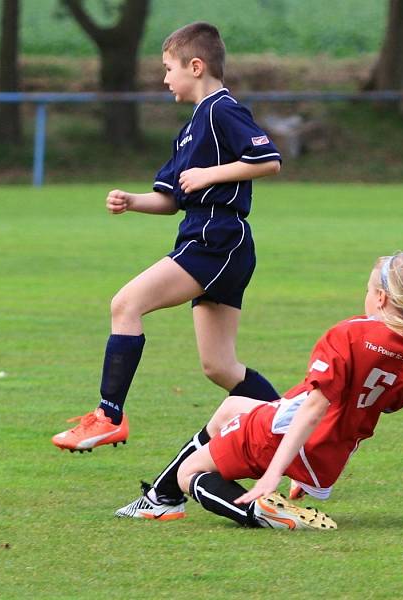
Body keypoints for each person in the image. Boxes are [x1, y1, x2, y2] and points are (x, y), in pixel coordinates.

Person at [115, 253, 403, 531]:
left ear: (381, 298)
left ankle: (258, 510)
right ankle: (159, 502)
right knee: (231, 405)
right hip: (327, 456)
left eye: (369, 289)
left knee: (190, 474)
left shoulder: (351, 333)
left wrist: (272, 475)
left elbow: (314, 407)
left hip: (286, 435)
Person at [52, 22, 283, 452]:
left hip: (217, 239)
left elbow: (268, 160)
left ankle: (108, 416)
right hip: (211, 240)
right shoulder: (192, 128)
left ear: (195, 66)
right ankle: (294, 426)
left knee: (125, 304)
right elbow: (173, 197)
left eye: (167, 68)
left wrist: (211, 173)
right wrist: (132, 201)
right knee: (219, 366)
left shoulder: (221, 110)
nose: (163, 79)